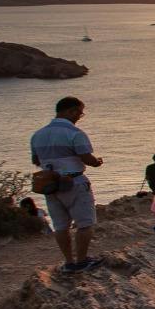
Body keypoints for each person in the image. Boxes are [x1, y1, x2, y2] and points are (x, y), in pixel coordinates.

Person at [29, 95, 104, 273]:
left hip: (50, 185)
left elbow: (36, 160)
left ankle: (69, 262)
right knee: (85, 223)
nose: (80, 116)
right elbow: (86, 158)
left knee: (61, 225)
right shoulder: (75, 134)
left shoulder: (37, 135)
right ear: (70, 111)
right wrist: (96, 162)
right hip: (75, 182)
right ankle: (82, 260)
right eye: (80, 112)